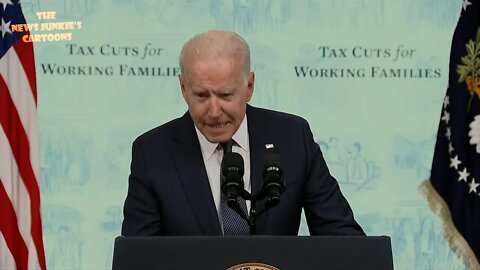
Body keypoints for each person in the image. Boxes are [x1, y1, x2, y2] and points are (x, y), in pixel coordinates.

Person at [121, 30, 364, 236]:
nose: (214, 111)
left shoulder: (292, 137)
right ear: (184, 89)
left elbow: (343, 239)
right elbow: (138, 258)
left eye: (226, 95)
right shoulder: (152, 153)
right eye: (201, 96)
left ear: (249, 87)